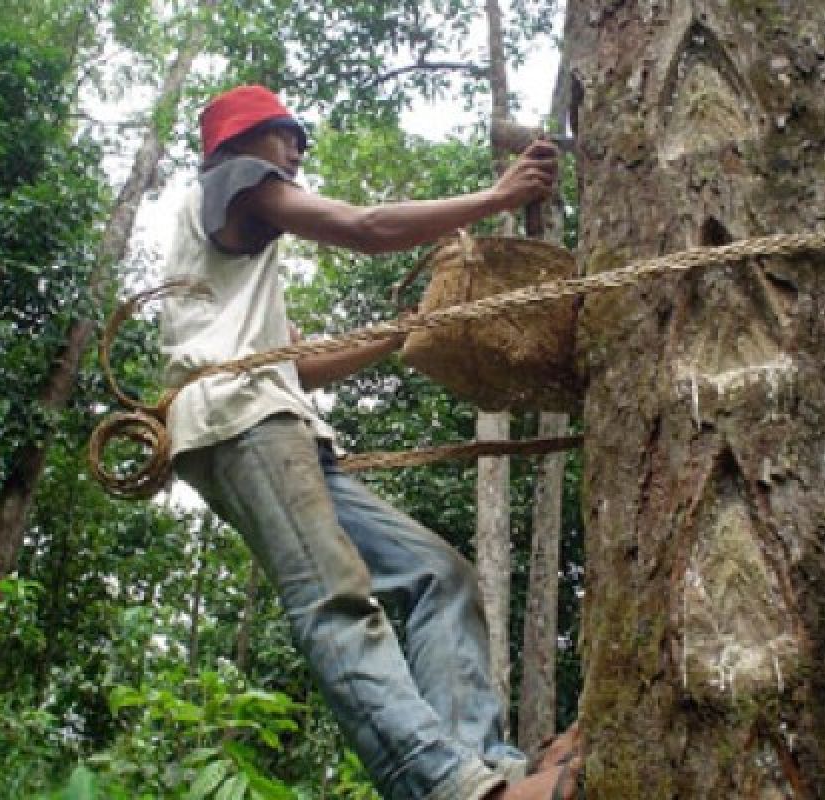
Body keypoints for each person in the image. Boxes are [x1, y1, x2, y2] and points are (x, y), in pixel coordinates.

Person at [161, 85, 581, 800]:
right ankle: (449, 788)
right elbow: (364, 225)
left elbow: (297, 365)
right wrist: (495, 196)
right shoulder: (234, 180)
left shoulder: (233, 269)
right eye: (285, 134)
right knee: (334, 602)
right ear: (241, 138)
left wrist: (405, 329)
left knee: (436, 576)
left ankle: (479, 764)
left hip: (276, 417)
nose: (296, 151)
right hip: (241, 420)